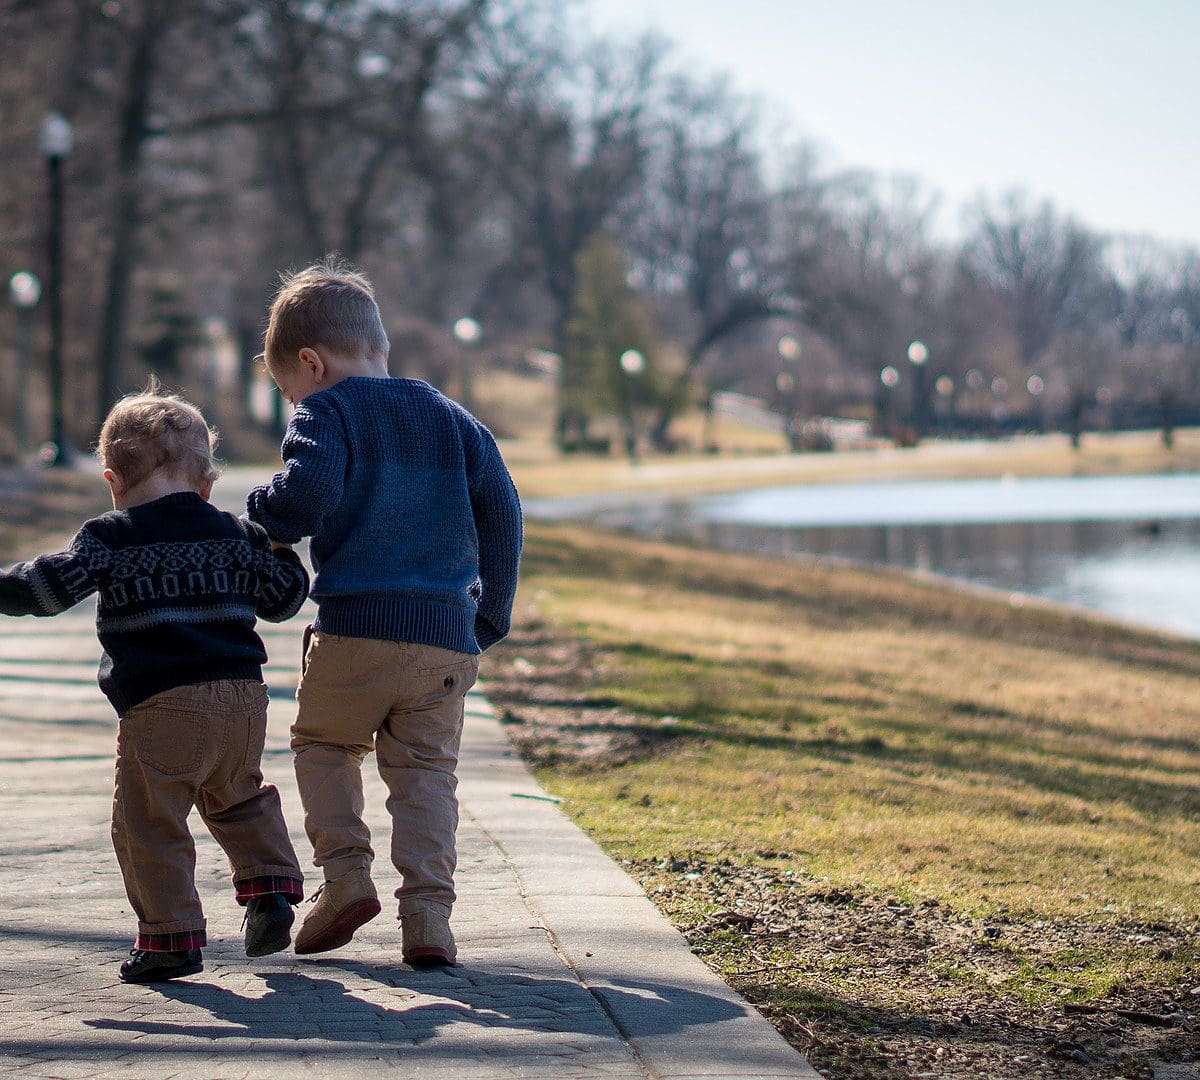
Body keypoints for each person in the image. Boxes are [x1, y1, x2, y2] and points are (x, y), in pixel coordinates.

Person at [246, 258, 522, 967]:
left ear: (312, 364)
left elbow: (303, 500)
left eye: (287, 389)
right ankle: (428, 917)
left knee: (323, 745)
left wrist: (262, 510)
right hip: (444, 640)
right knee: (427, 774)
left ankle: (344, 877)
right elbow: (504, 513)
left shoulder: (327, 411)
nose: (292, 401)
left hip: (355, 629)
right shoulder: (452, 418)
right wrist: (489, 616)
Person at [0, 387, 309, 983]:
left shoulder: (110, 537)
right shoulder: (234, 533)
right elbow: (283, 600)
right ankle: (270, 890)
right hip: (243, 701)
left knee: (150, 821)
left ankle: (170, 938)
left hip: (162, 704)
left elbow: (46, 590)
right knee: (238, 795)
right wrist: (281, 548)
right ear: (207, 482)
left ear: (113, 480)